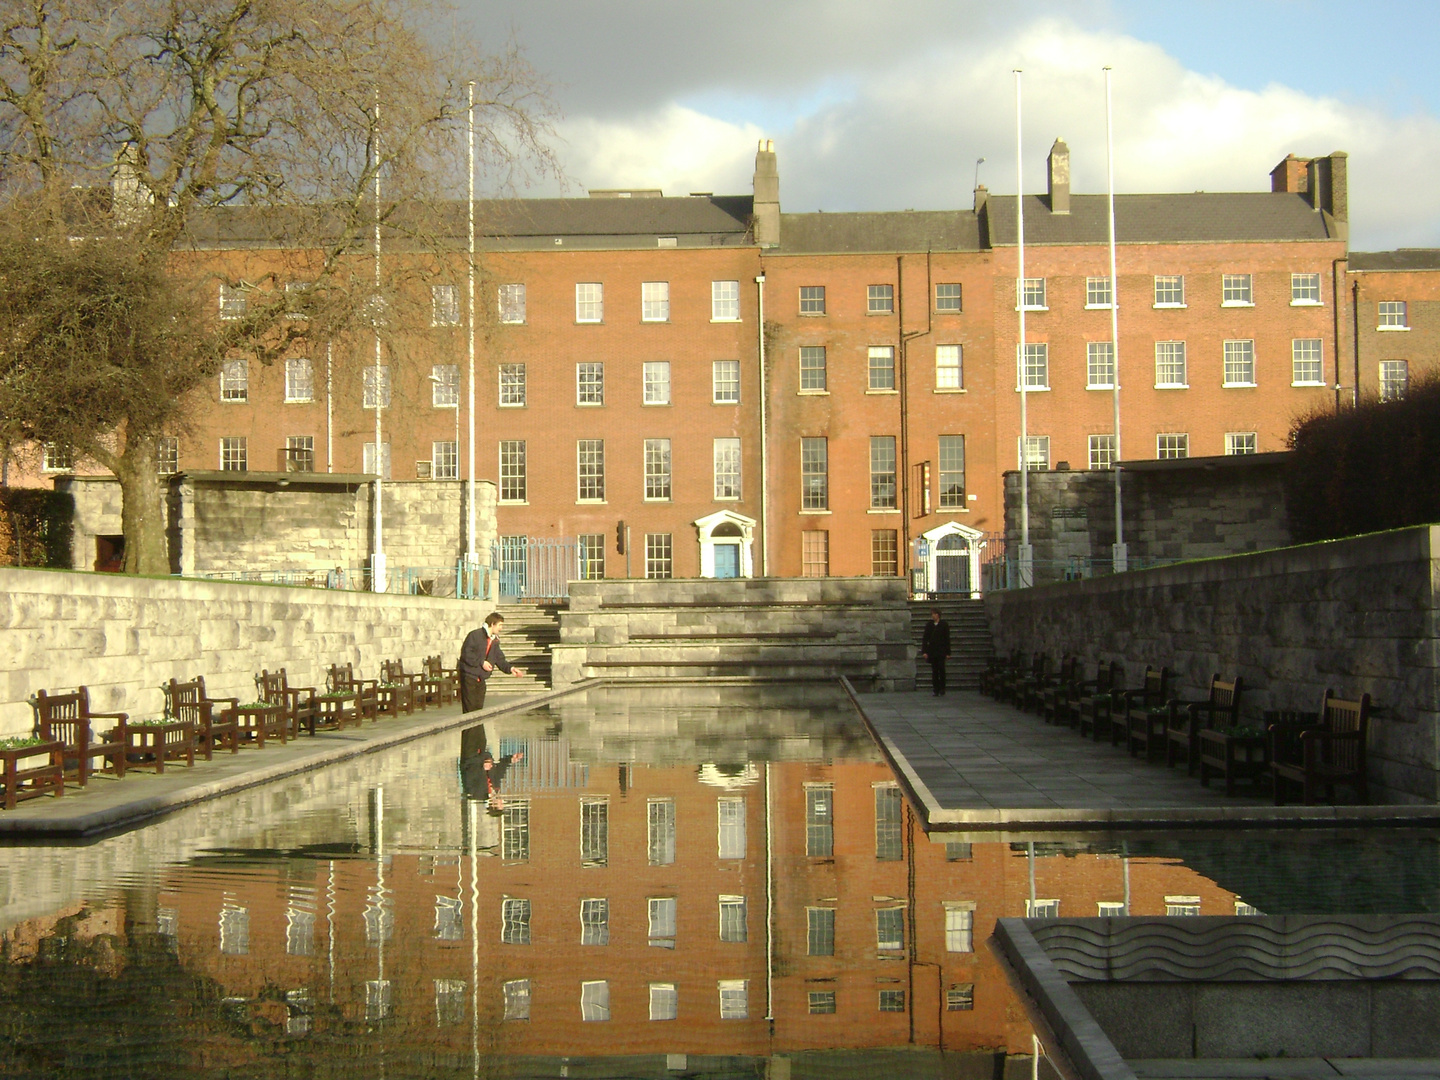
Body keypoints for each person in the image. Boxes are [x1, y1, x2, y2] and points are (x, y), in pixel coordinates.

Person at [458, 612, 526, 713]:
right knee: (470, 711)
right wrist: (482, 662)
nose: (501, 628)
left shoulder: (494, 641)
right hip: (469, 677)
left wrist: (511, 669)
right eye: (500, 625)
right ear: (492, 624)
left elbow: (499, 658)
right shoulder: (475, 635)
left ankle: (477, 729)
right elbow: (466, 654)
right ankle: (469, 729)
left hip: (481, 679)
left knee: (478, 711)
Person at [920, 607, 951, 696]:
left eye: (934, 614)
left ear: (938, 615)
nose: (932, 616)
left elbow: (947, 639)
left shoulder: (944, 625)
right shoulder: (929, 625)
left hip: (941, 651)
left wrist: (948, 653)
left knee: (941, 670)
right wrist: (924, 651)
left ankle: (942, 688)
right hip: (932, 651)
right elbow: (925, 639)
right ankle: (935, 689)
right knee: (934, 671)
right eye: (932, 614)